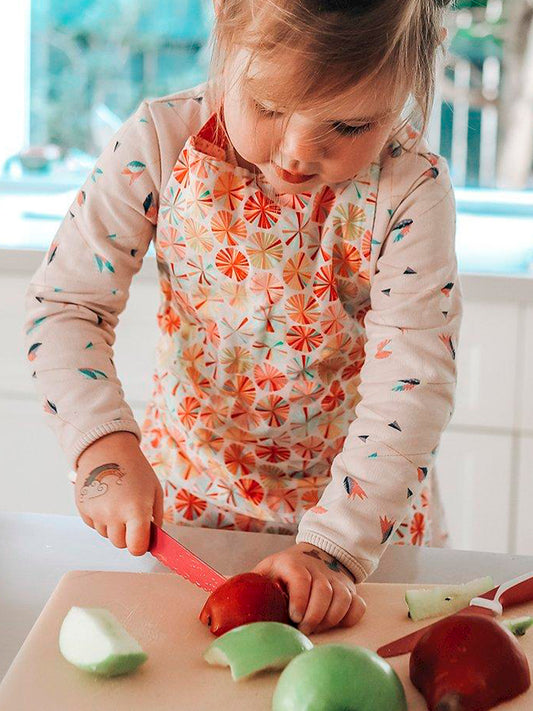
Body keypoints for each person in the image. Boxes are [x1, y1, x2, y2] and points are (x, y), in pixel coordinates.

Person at [24, 0, 461, 637]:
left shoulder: (411, 189)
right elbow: (68, 305)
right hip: (191, 508)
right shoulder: (158, 140)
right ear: (226, 31)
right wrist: (100, 444)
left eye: (348, 125)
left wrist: (336, 548)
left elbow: (412, 384)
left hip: (362, 525)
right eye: (268, 106)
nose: (298, 154)